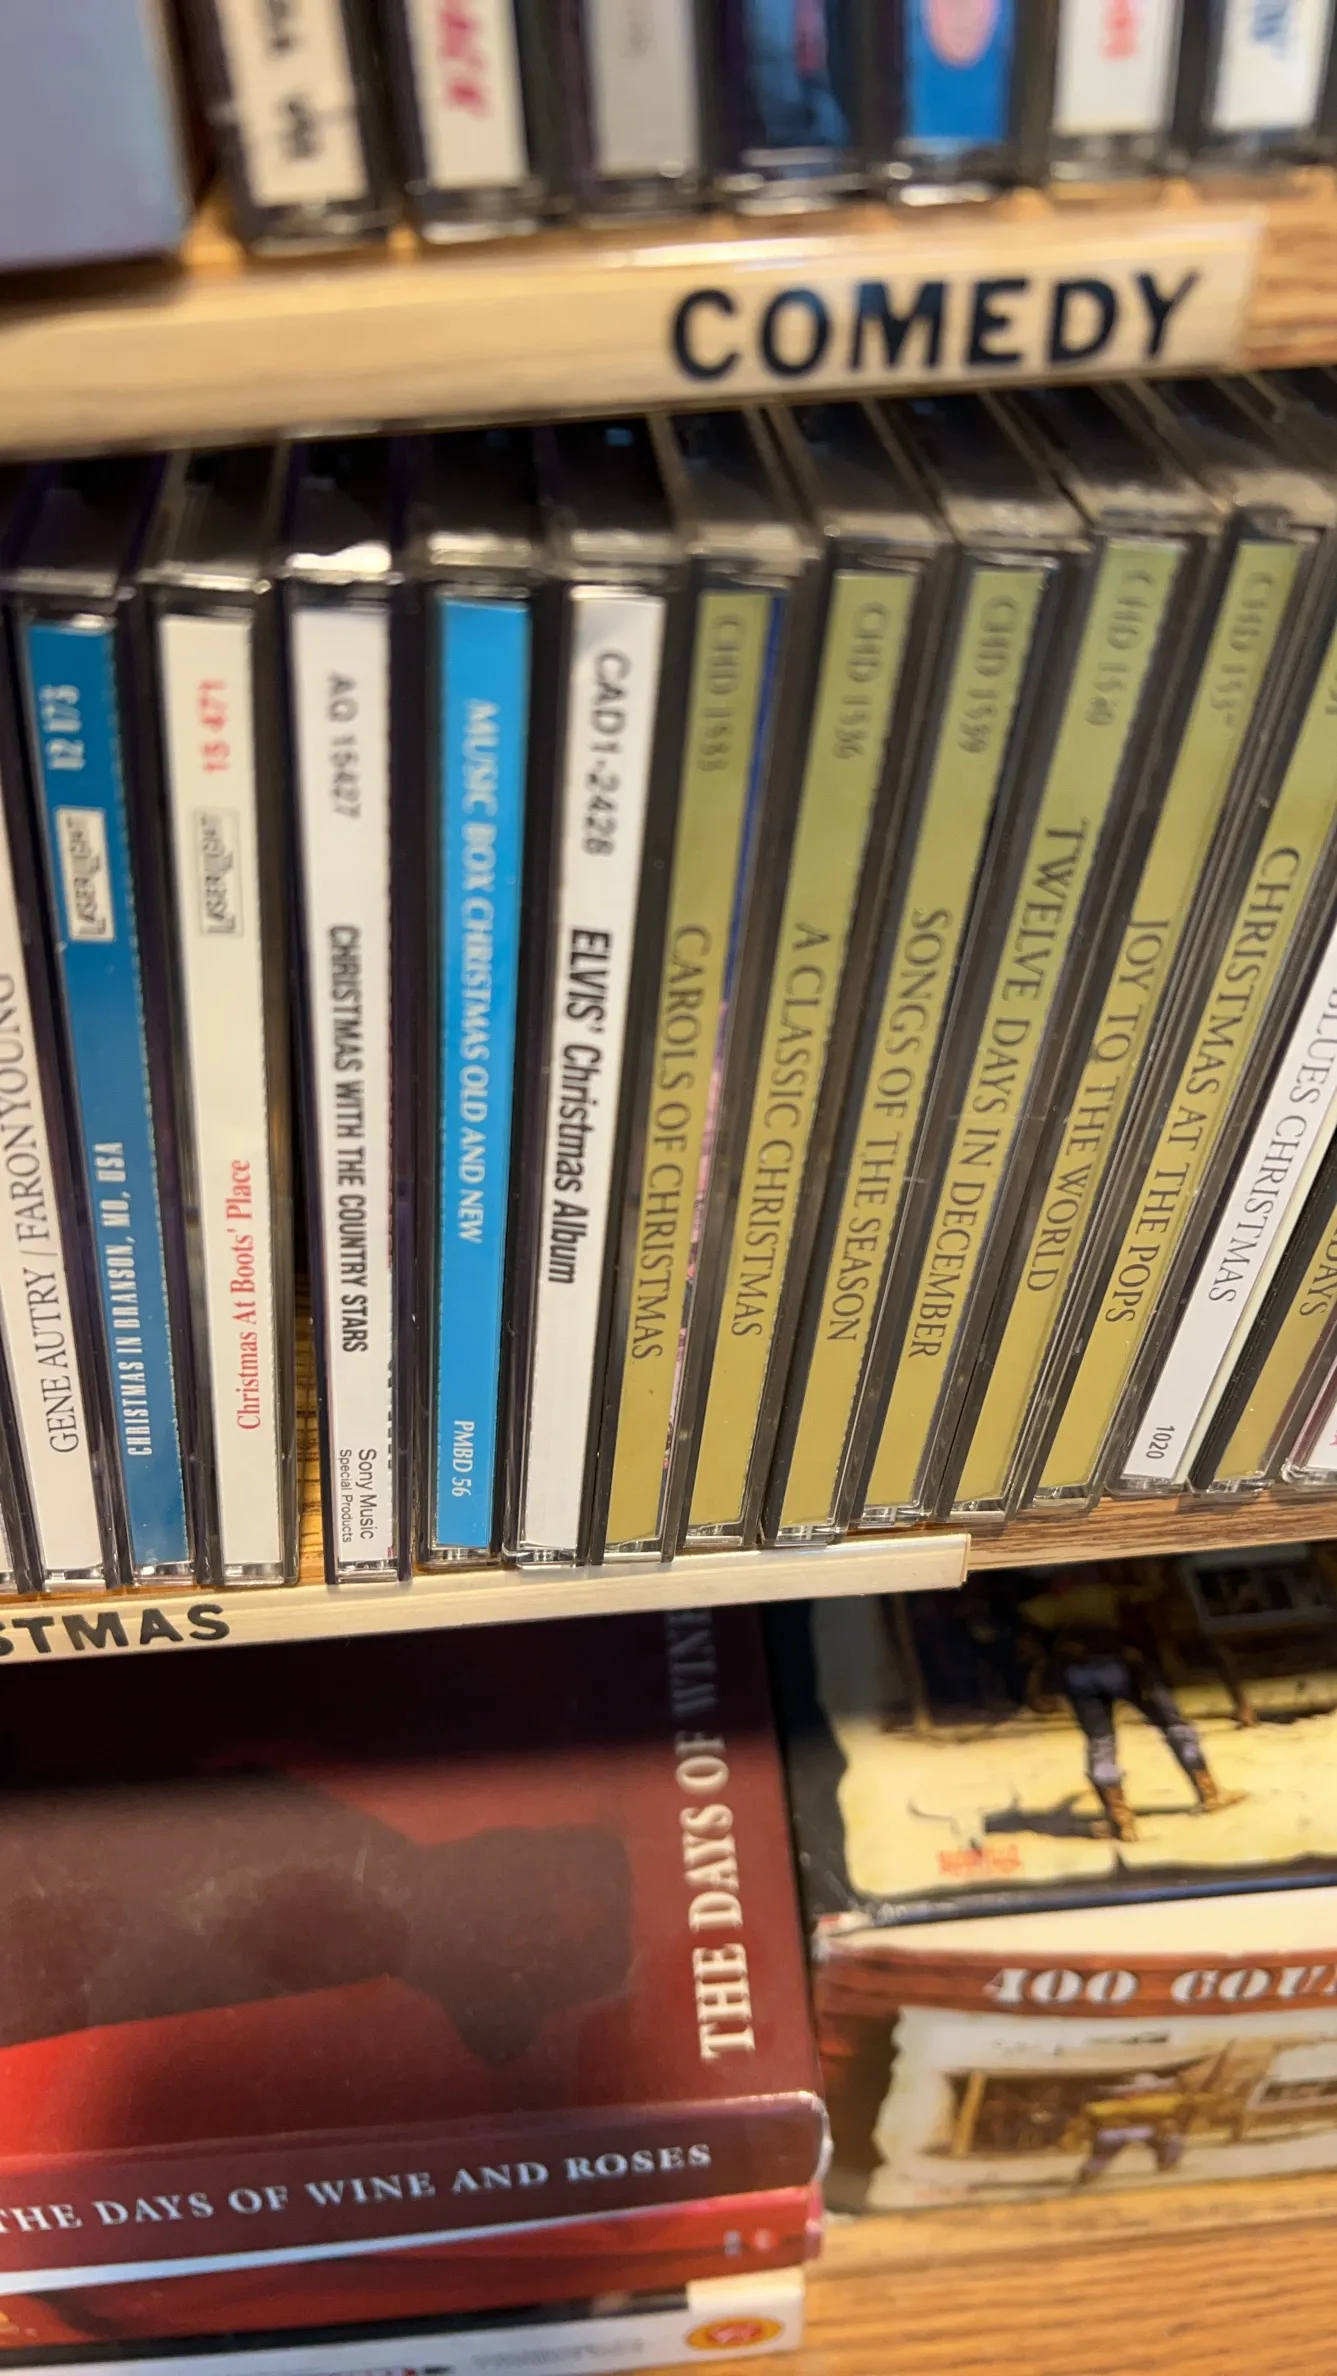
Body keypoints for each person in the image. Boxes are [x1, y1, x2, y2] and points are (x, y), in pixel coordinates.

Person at [1018, 1567, 1244, 1843]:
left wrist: (1039, 1684)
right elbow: (1149, 1602)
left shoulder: (1041, 1608)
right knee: (1173, 1725)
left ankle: (1121, 1821)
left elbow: (1032, 1650)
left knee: (1101, 1742)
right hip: (1122, 1665)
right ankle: (1209, 1793)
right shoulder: (1107, 1593)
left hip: (1078, 1673)